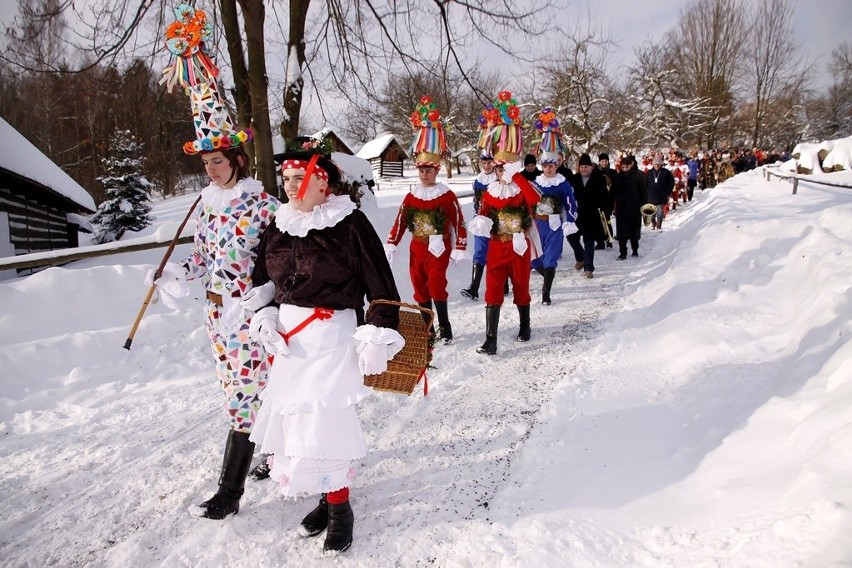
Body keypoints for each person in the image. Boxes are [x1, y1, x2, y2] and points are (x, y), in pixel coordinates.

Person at [146, 6, 280, 520]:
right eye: (205, 163)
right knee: (241, 392)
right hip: (217, 317)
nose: (210, 169)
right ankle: (271, 451)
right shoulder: (207, 203)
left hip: (253, 316)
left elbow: (282, 259)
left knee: (248, 395)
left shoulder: (261, 203)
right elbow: (203, 258)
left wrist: (265, 297)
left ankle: (230, 491)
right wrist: (179, 273)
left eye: (217, 161)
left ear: (239, 160)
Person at [248, 149, 403, 556]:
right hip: (290, 341)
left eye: (299, 178)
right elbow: (262, 281)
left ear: (323, 182)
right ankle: (324, 495)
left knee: (325, 427)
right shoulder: (279, 225)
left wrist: (377, 334)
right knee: (298, 427)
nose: (290, 187)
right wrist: (264, 317)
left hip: (332, 336)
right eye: (285, 180)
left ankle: (340, 512)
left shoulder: (349, 224)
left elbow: (382, 289)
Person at [385, 96, 468, 343]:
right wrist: (392, 241)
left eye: (428, 171)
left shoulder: (446, 195)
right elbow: (401, 220)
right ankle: (428, 328)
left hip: (439, 246)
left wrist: (460, 245)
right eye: (421, 170)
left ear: (436, 170)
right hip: (417, 246)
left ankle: (445, 325)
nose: (424, 175)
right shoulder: (412, 195)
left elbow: (458, 221)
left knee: (436, 285)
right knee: (419, 286)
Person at [467, 90, 541, 355]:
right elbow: (484, 211)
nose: (501, 173)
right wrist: (480, 223)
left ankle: (525, 324)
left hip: (519, 246)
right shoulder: (490, 192)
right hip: (497, 246)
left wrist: (518, 176)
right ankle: (491, 339)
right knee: (492, 290)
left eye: (505, 168)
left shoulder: (521, 188)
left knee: (521, 287)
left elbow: (535, 199)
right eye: (499, 168)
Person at [529, 107, 577, 303]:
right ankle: (546, 277)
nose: (548, 169)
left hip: (554, 225)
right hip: (537, 225)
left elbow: (571, 204)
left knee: (551, 258)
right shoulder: (535, 183)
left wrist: (569, 221)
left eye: (552, 165)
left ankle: (546, 292)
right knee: (535, 259)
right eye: (546, 166)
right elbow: (528, 203)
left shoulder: (563, 183)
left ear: (557, 165)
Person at [461, 150, 497, 301]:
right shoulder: (477, 181)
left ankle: (502, 284)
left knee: (496, 253)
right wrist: (476, 218)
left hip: (496, 221)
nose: (487, 166)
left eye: (489, 162)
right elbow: (476, 201)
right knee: (480, 252)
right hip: (481, 221)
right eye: (484, 163)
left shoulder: (499, 179)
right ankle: (474, 287)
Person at [567, 153, 609, 279]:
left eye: (586, 167)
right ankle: (581, 257)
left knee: (589, 242)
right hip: (577, 215)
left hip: (592, 215)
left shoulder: (599, 179)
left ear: (591, 167)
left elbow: (604, 197)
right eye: (582, 167)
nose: (584, 169)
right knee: (571, 238)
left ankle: (589, 268)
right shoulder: (574, 179)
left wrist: (605, 210)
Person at [612, 154, 647, 259]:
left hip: (635, 208)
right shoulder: (617, 177)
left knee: (634, 231)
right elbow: (612, 192)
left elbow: (643, 192)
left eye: (626, 167)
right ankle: (623, 252)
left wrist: (644, 205)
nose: (625, 169)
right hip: (621, 208)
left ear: (631, 165)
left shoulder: (639, 175)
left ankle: (635, 250)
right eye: (623, 167)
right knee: (621, 232)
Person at [645, 153, 674, 230]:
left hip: (661, 196)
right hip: (651, 196)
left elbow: (671, 182)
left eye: (658, 164)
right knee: (651, 212)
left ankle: (658, 226)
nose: (657, 166)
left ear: (661, 164)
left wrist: (668, 192)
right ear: (653, 164)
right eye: (655, 164)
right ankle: (653, 223)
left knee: (660, 213)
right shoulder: (649, 173)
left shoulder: (666, 172)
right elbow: (644, 184)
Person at [597, 152, 617, 249]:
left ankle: (609, 240)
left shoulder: (612, 173)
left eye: (605, 161)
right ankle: (600, 242)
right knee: (598, 222)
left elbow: (616, 186)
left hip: (608, 200)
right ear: (599, 162)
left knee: (607, 220)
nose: (604, 163)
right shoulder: (596, 172)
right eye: (602, 161)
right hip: (598, 200)